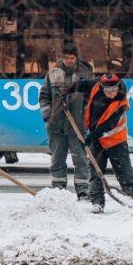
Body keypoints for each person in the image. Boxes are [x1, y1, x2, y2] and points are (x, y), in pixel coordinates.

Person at [70, 73, 133, 213]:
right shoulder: (96, 84)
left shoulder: (121, 102)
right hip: (98, 140)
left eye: (114, 90)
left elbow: (108, 125)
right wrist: (67, 90)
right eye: (108, 91)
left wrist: (90, 137)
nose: (112, 93)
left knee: (124, 171)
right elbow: (82, 85)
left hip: (116, 141)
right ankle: (97, 203)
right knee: (95, 171)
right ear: (102, 88)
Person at [38, 43, 92, 200]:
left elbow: (90, 99)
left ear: (76, 58)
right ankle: (58, 191)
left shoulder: (85, 73)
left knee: (81, 159)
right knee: (57, 159)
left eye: (72, 58)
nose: (69, 61)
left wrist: (85, 116)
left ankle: (83, 191)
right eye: (66, 57)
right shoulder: (53, 73)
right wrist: (48, 116)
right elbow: (44, 96)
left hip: (77, 125)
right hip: (56, 125)